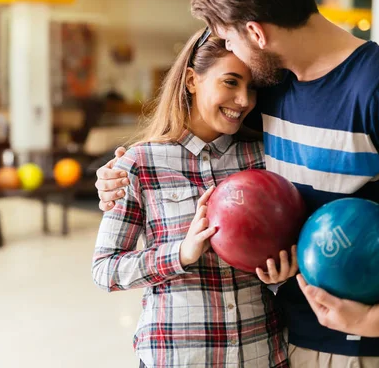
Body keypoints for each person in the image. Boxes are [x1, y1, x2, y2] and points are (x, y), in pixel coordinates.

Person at [94, 0, 379, 367]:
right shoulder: (272, 86)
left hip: (363, 350)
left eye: (229, 37)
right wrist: (117, 176)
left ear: (256, 32)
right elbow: (197, 136)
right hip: (282, 341)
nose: (242, 92)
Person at [91, 28, 296, 368]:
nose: (244, 100)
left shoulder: (265, 158)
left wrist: (283, 274)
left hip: (261, 353)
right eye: (230, 82)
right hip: (178, 357)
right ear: (191, 80)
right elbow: (105, 270)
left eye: (251, 88)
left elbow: (288, 242)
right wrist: (180, 254)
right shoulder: (140, 163)